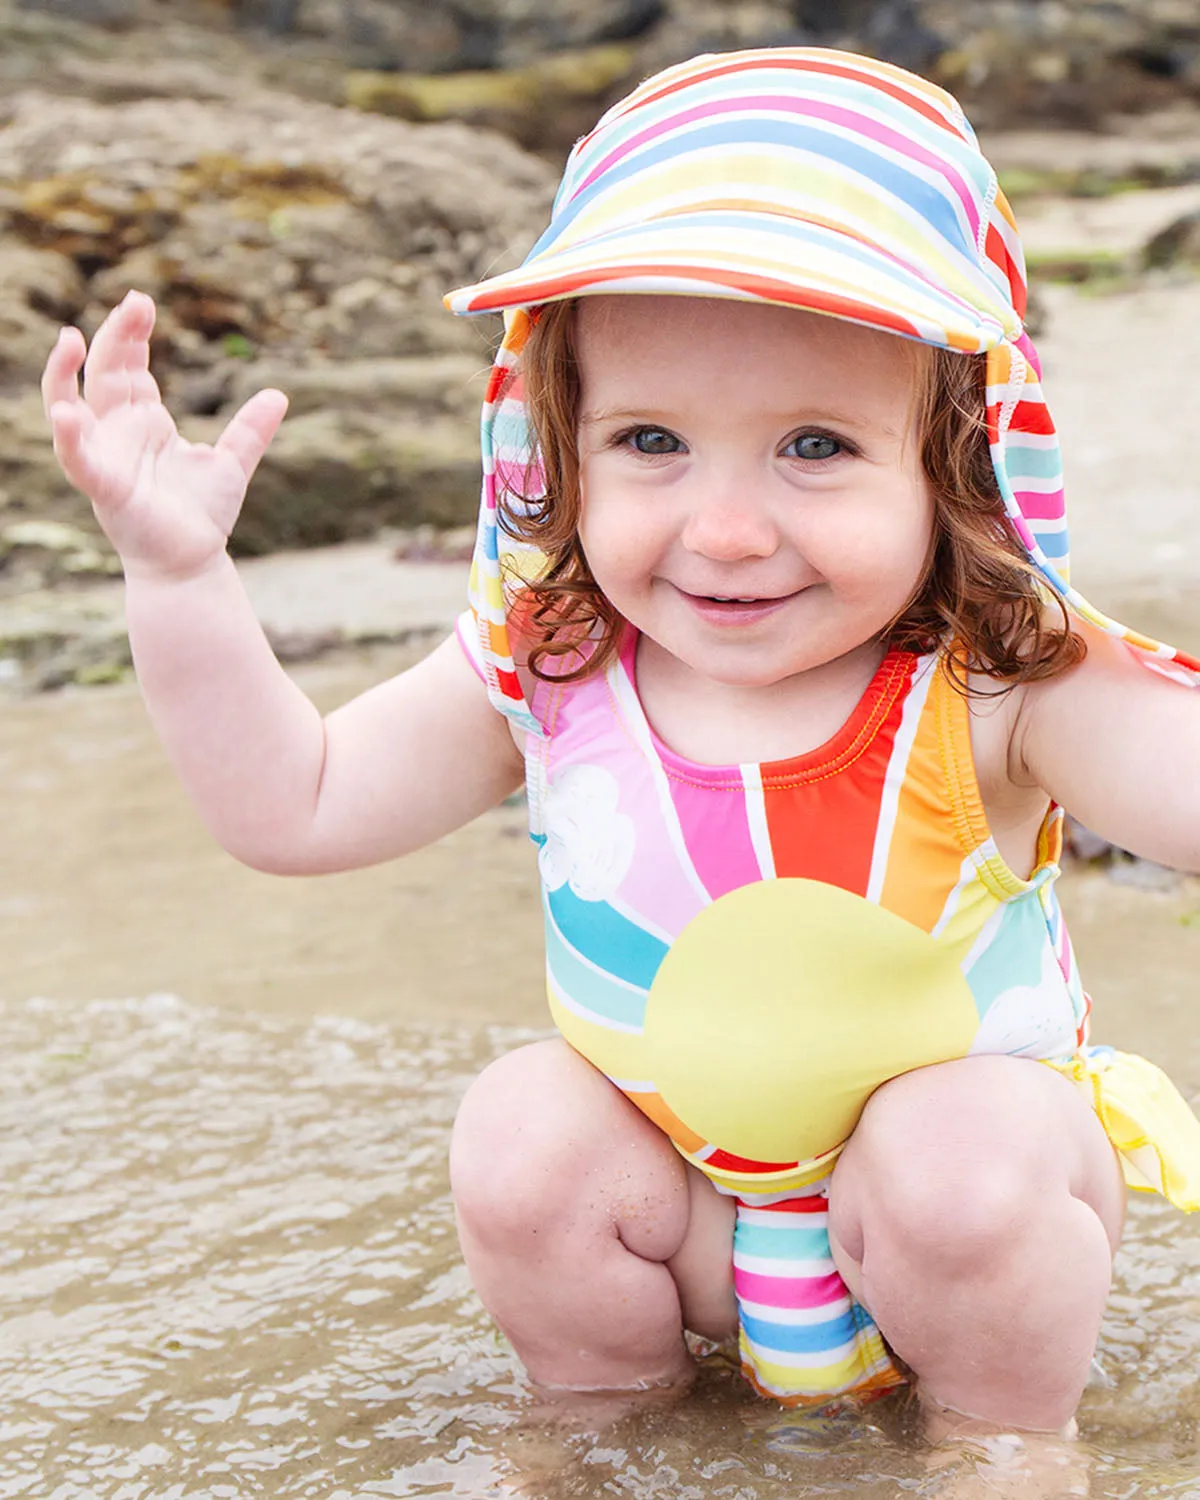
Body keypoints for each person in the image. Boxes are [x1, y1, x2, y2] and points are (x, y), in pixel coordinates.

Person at [41, 46, 1200, 1436]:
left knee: (962, 1153)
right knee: (528, 1132)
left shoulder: (998, 684)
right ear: (559, 447)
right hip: (696, 1230)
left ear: (955, 465)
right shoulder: (551, 667)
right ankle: (598, 1426)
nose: (724, 529)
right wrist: (181, 586)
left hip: (965, 1232)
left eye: (815, 447)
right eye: (652, 439)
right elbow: (297, 806)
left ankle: (1003, 1448)